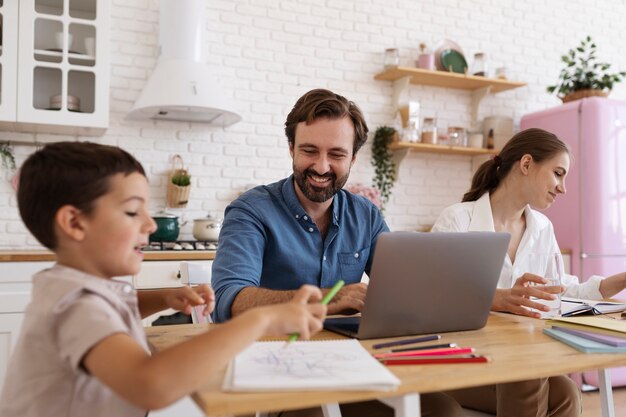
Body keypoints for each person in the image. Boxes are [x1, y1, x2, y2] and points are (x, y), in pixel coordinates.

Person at [0, 142, 327, 417]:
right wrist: (261, 319)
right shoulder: (76, 306)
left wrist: (162, 298)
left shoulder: (73, 287)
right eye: (132, 212)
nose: (150, 225)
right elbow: (149, 385)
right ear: (74, 223)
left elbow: (114, 309)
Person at [212, 88, 464, 417]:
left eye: (336, 154)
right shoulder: (251, 211)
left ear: (353, 159)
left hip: (347, 364)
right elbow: (229, 301)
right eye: (309, 150)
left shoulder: (366, 216)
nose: (321, 165)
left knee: (443, 411)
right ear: (291, 149)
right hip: (272, 366)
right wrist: (328, 299)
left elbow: (400, 291)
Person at [430, 127, 626, 416]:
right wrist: (495, 298)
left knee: (567, 392)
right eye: (558, 173)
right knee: (529, 374)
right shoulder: (458, 220)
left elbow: (562, 291)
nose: (563, 188)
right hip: (462, 358)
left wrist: (622, 279)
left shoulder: (542, 228)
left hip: (516, 356)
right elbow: (432, 298)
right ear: (525, 164)